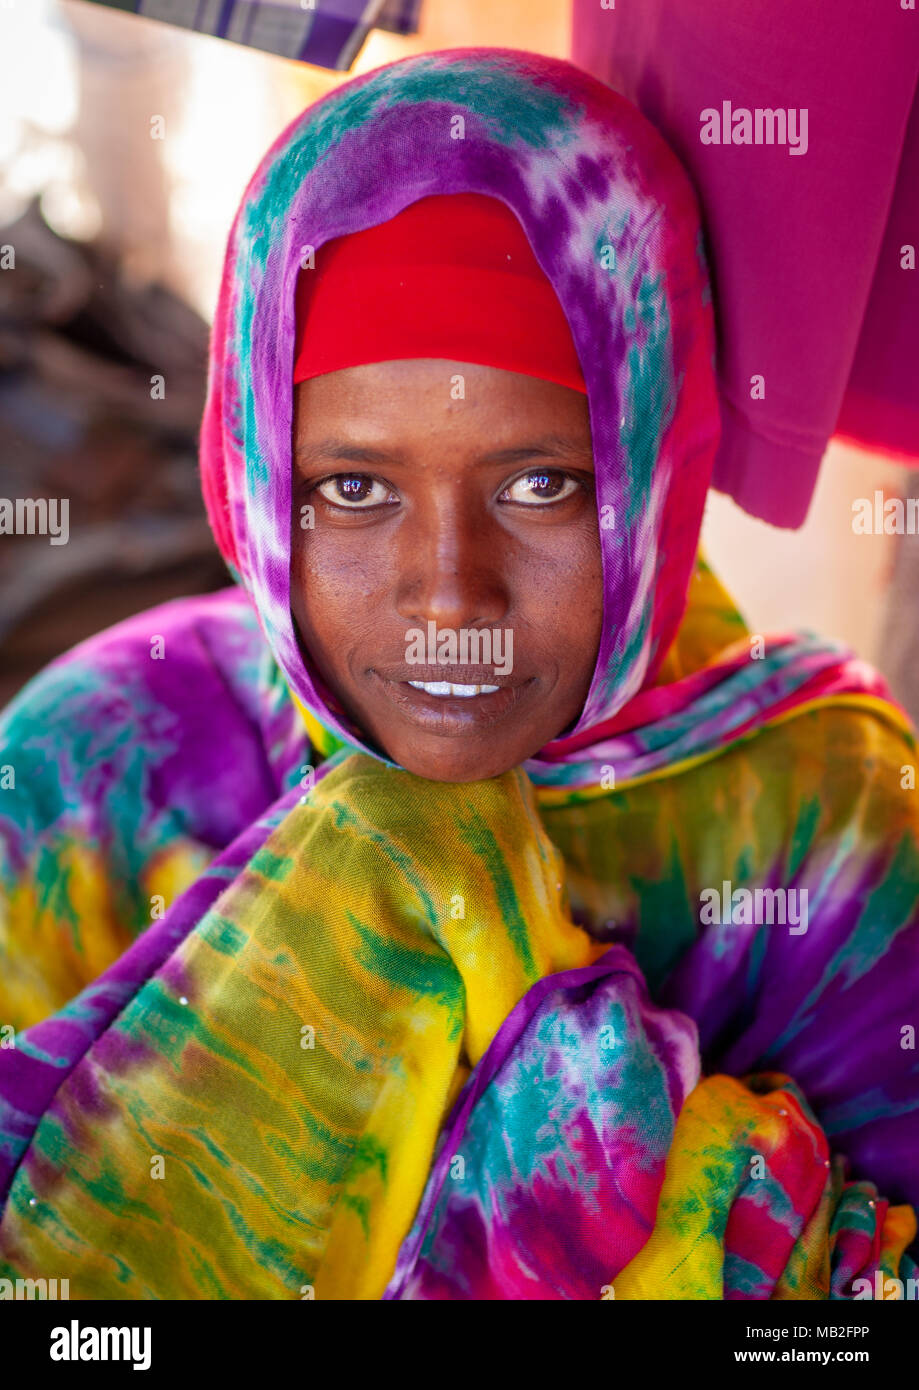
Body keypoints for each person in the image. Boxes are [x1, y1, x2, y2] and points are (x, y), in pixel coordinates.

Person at [0, 47, 916, 1301]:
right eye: (355, 489)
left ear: (653, 477)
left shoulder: (831, 833)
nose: (448, 592)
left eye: (540, 483)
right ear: (262, 491)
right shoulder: (92, 774)